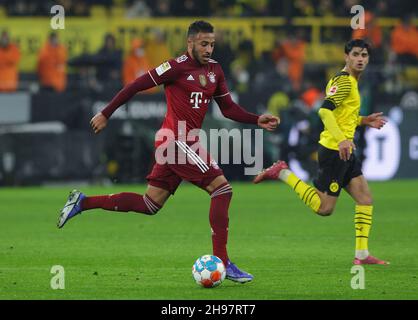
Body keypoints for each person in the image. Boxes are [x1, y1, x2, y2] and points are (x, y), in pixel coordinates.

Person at [57, 20, 279, 283]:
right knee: (222, 190)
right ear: (190, 43)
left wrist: (256, 119)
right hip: (176, 141)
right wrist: (106, 112)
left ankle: (82, 201)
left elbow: (228, 108)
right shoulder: (174, 67)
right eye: (204, 44)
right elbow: (136, 85)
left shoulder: (215, 71)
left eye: (212, 44)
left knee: (150, 204)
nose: (209, 49)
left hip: (183, 142)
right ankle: (224, 262)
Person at [253, 39, 389, 265]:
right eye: (355, 54)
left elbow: (342, 116)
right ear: (346, 57)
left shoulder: (351, 82)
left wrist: (363, 120)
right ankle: (282, 173)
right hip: (335, 150)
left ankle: (362, 254)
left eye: (364, 55)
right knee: (325, 208)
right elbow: (325, 112)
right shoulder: (344, 82)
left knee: (364, 198)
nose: (360, 59)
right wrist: (342, 139)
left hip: (345, 149)